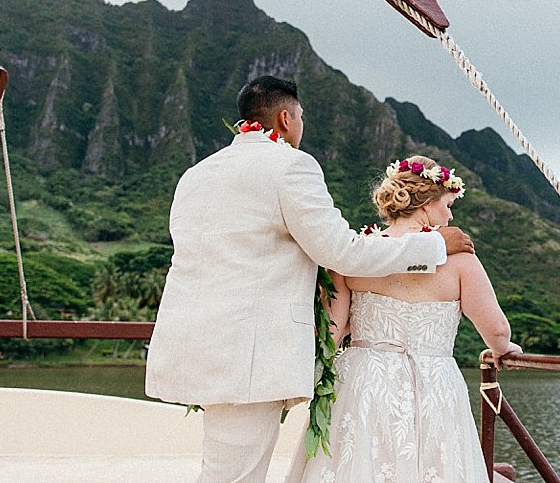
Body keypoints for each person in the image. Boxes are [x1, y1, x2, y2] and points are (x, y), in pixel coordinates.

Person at [147, 76, 476, 483]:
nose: (302, 126)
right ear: (285, 118)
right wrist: (434, 246)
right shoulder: (290, 166)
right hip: (251, 354)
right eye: (301, 117)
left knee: (222, 467)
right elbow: (343, 251)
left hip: (198, 344)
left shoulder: (196, 174)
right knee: (235, 476)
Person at [287, 156, 522, 483]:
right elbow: (496, 329)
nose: (450, 215)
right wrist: (504, 347)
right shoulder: (461, 261)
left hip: (362, 381)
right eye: (448, 204)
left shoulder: (355, 253)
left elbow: (332, 330)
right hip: (433, 383)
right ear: (426, 206)